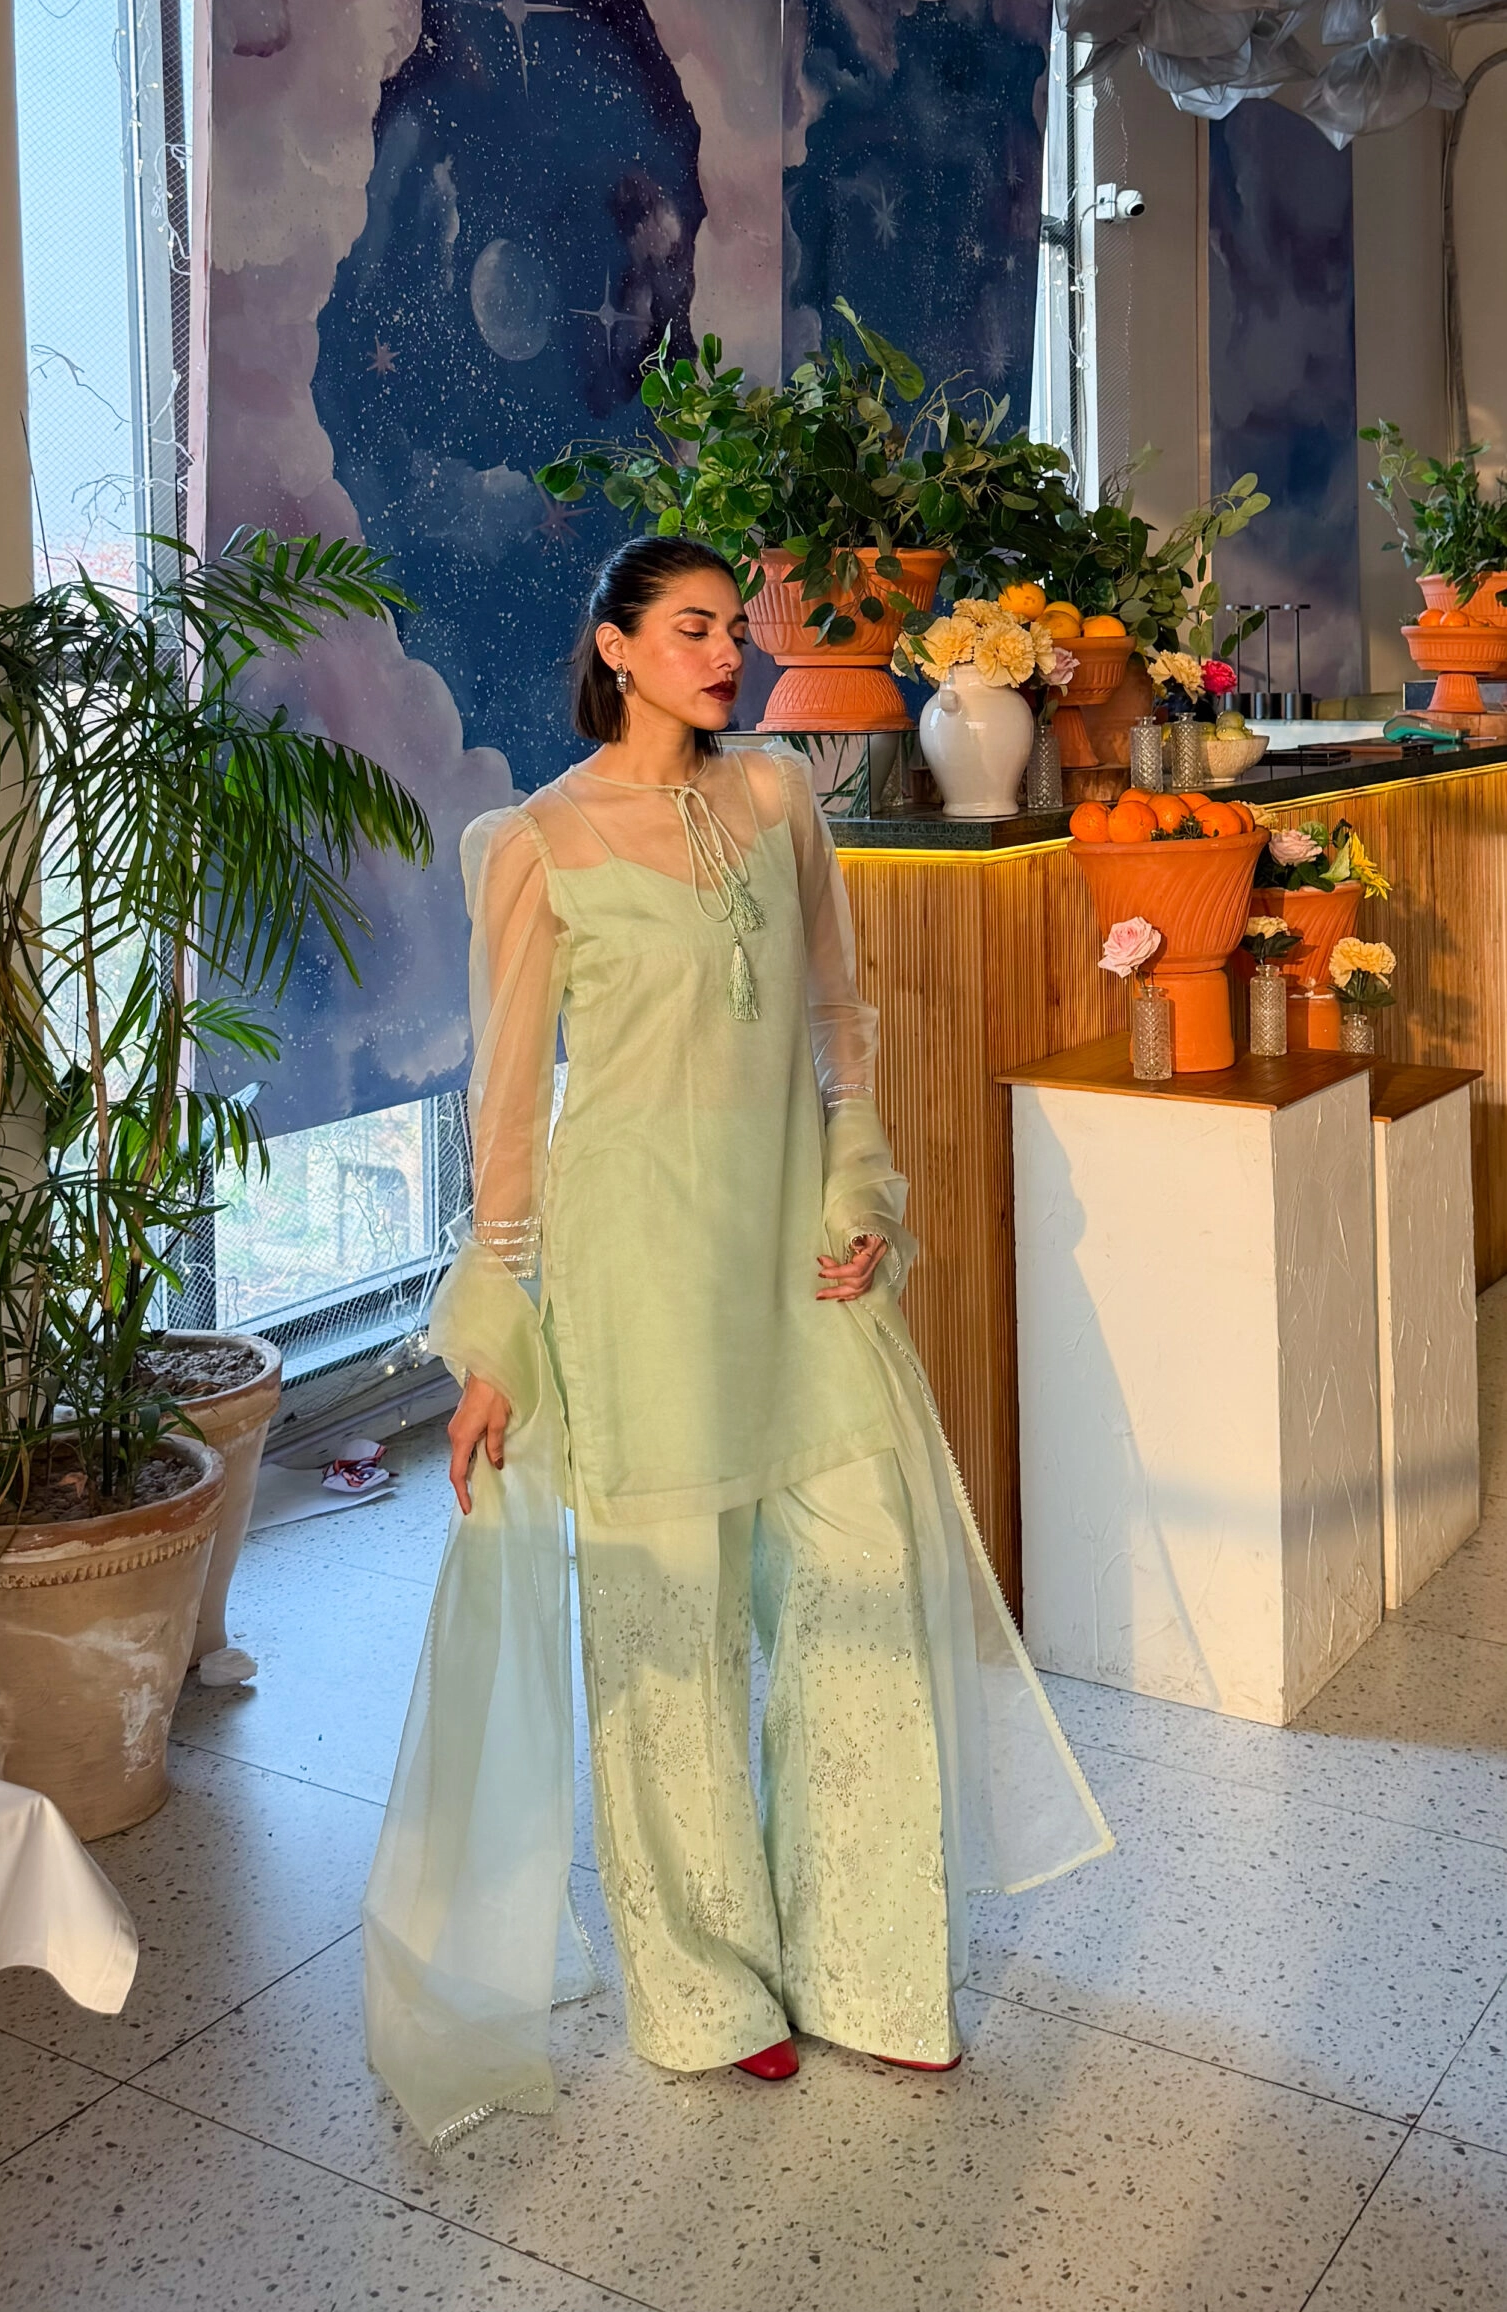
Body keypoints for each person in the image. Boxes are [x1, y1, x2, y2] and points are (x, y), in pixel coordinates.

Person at [363, 537, 1110, 2151]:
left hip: (793, 1271)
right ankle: (704, 1988)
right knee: (668, 1630)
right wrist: (495, 1337)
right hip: (632, 1275)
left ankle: (870, 1965)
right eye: (694, 629)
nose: (727, 655)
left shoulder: (777, 803)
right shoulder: (534, 846)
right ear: (616, 647)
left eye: (734, 631)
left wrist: (858, 1183)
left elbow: (838, 1019)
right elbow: (510, 1115)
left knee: (860, 1581)